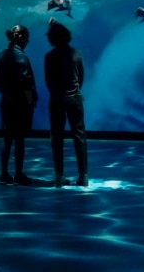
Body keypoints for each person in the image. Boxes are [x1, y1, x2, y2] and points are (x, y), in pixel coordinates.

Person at [0, 25, 38, 185]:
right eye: (26, 38)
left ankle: (4, 173)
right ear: (20, 37)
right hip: (20, 103)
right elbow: (26, 84)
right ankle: (18, 174)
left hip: (5, 100)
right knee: (19, 139)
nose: (28, 41)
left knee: (7, 138)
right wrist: (31, 101)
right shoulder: (21, 57)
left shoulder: (1, 55)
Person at [44, 21, 88, 187]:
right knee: (79, 136)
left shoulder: (49, 56)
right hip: (75, 99)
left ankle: (59, 176)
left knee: (56, 137)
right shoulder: (77, 53)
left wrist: (57, 94)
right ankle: (83, 176)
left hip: (56, 99)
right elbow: (81, 77)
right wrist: (74, 92)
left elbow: (48, 81)